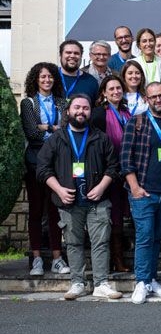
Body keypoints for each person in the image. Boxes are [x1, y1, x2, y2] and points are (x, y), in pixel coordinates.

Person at [36, 94, 122, 300]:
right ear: (68, 111)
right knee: (73, 244)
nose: (81, 112)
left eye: (85, 108)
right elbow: (42, 168)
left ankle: (101, 284)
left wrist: (102, 187)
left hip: (98, 201)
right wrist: (58, 189)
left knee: (101, 243)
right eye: (77, 108)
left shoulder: (101, 138)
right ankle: (77, 283)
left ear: (90, 112)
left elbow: (113, 167)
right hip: (68, 202)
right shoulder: (57, 139)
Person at [120, 82, 161, 301]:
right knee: (145, 237)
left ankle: (151, 278)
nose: (158, 99)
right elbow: (125, 158)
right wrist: (135, 187)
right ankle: (141, 282)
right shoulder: (137, 122)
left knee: (157, 238)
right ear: (146, 99)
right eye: (153, 96)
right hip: (143, 193)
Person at [20, 63, 69, 277]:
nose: (47, 80)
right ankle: (37, 258)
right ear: (36, 80)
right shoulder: (28, 103)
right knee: (36, 210)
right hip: (35, 162)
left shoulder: (62, 103)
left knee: (54, 210)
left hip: (57, 162)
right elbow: (32, 133)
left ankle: (58, 258)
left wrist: (45, 128)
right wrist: (52, 128)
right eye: (43, 77)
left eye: (50, 76)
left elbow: (66, 131)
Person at [89, 75, 132, 273]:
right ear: (104, 93)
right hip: (108, 173)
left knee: (121, 216)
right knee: (111, 217)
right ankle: (114, 259)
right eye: (111, 89)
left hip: (126, 172)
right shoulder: (98, 114)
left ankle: (119, 256)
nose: (116, 92)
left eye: (118, 88)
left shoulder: (126, 113)